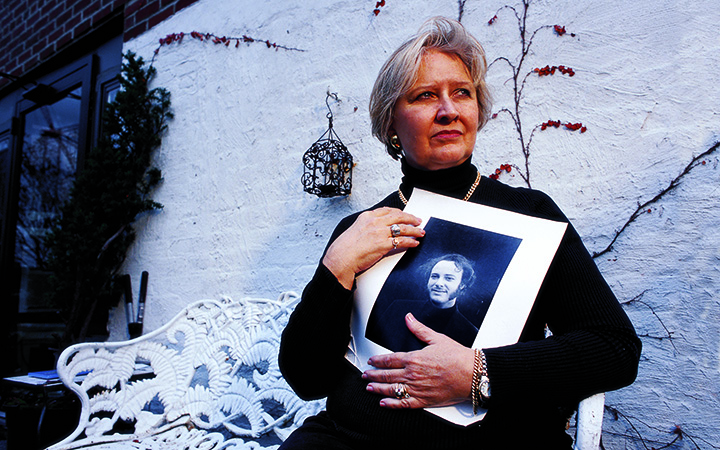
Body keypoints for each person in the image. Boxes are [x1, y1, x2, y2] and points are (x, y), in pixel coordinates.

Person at [278, 16, 641, 449]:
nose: (448, 110)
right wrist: (335, 267)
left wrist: (479, 373)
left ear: (476, 111)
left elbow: (614, 349)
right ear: (392, 123)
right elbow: (306, 379)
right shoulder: (361, 230)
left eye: (461, 93)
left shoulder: (531, 214)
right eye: (425, 95)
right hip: (351, 439)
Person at [365, 254, 478, 352]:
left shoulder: (469, 332)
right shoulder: (398, 307)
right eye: (434, 276)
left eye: (448, 278)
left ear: (462, 285)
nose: (439, 283)